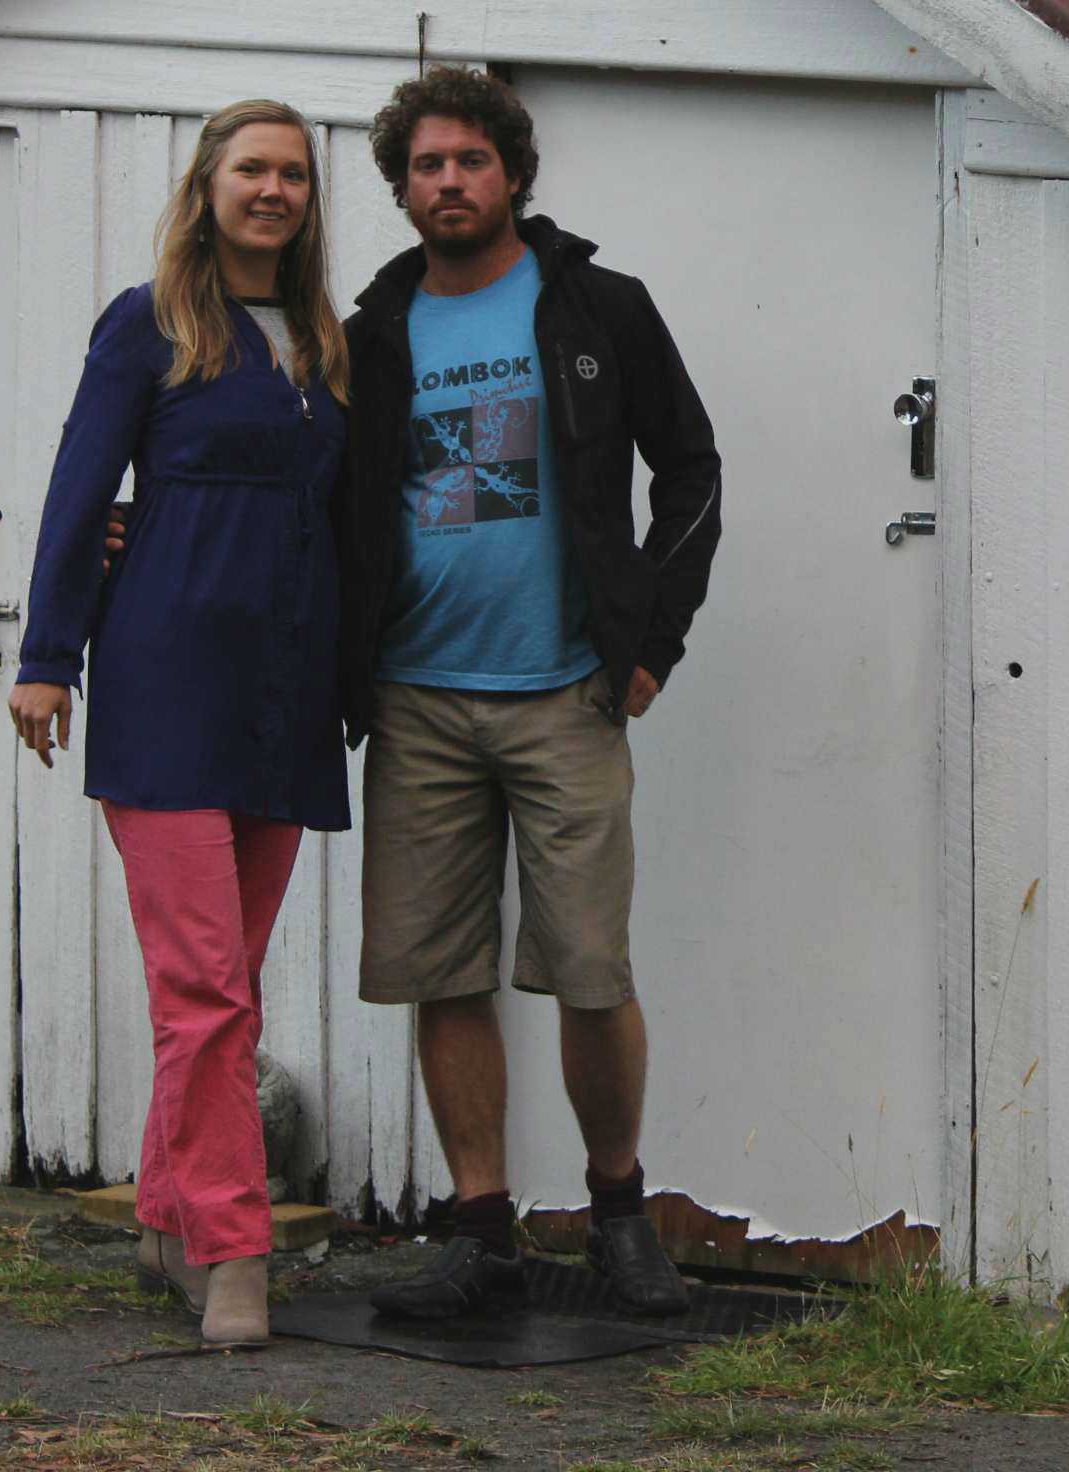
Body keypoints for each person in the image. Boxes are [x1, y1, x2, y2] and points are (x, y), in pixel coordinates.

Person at [346, 66, 721, 1319]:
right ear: (400, 187)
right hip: (415, 700)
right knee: (441, 968)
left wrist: (651, 639)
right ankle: (483, 1230)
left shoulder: (597, 308)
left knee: (589, 969)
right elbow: (314, 496)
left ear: (512, 172)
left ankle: (620, 1215)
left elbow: (692, 469)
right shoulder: (373, 334)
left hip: (568, 692)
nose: (448, 181)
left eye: (470, 160)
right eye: (425, 165)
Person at [8, 99, 351, 1351]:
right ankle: (234, 1248)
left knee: (224, 985)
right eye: (251, 169)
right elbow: (80, 484)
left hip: (286, 692)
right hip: (165, 679)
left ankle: (165, 1211)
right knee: (204, 988)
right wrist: (49, 653)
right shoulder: (147, 324)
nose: (273, 190)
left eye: (294, 174)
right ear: (206, 184)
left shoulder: (322, 337)